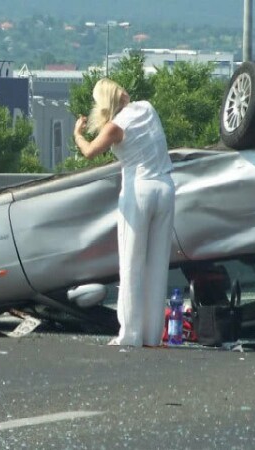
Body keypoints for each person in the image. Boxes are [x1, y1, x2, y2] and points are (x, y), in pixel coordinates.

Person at [73, 78, 175, 347]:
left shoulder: (114, 128)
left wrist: (78, 134)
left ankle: (130, 334)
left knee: (132, 263)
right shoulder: (147, 108)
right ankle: (153, 334)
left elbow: (89, 153)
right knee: (157, 264)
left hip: (138, 190)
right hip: (165, 187)